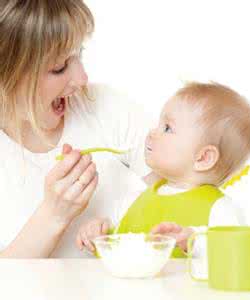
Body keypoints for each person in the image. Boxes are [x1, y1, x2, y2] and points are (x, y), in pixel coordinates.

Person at [0, 0, 153, 258]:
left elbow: (181, 195)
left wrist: (121, 236)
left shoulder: (105, 107)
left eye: (78, 54)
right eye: (59, 68)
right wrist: (54, 215)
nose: (82, 79)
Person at [76, 81, 250, 259]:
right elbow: (117, 247)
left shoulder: (220, 209)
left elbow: (234, 252)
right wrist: (98, 234)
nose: (151, 132)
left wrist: (192, 241)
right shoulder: (133, 201)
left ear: (203, 158)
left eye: (167, 128)